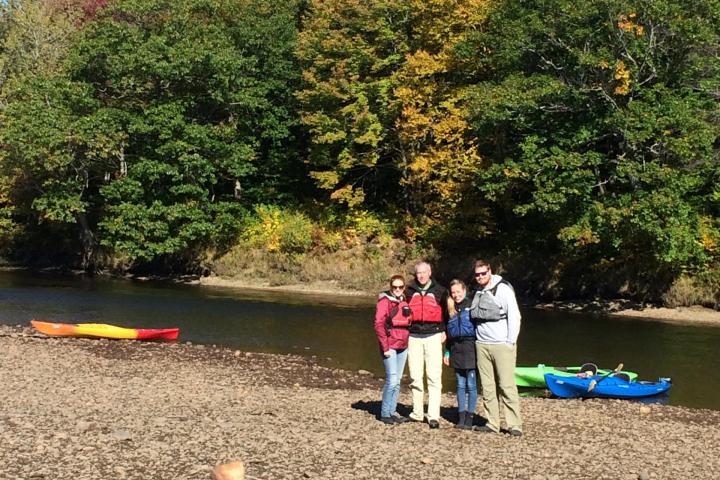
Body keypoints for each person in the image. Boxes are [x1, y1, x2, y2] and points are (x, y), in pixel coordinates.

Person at [470, 259, 523, 437]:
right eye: (477, 274)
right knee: (488, 386)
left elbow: (514, 316)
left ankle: (514, 424)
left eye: (483, 273)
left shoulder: (503, 289)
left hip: (502, 345)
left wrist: (510, 342)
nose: (480, 277)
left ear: (489, 271)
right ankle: (492, 422)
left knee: (506, 385)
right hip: (482, 345)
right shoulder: (477, 290)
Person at [406, 261, 447, 429]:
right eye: (418, 273)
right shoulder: (408, 291)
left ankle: (433, 415)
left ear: (430, 272)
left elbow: (447, 313)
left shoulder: (441, 291)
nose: (421, 276)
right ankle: (417, 412)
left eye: (424, 272)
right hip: (413, 336)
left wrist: (445, 331)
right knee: (415, 376)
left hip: (433, 335)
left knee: (434, 376)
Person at [373, 275, 413, 425]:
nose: (397, 289)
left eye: (400, 287)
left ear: (404, 288)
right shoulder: (384, 302)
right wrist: (385, 347)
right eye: (394, 287)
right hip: (390, 345)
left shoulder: (404, 301)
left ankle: (392, 411)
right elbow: (378, 324)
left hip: (403, 345)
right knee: (392, 380)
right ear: (390, 287)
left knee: (397, 381)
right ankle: (384, 413)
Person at [443, 279, 478, 430]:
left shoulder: (472, 306)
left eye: (458, 291)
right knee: (460, 384)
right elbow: (448, 333)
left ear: (464, 290)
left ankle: (470, 418)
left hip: (471, 348)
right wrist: (447, 351)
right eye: (453, 292)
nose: (456, 295)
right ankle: (461, 417)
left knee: (471, 385)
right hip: (456, 349)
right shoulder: (450, 309)